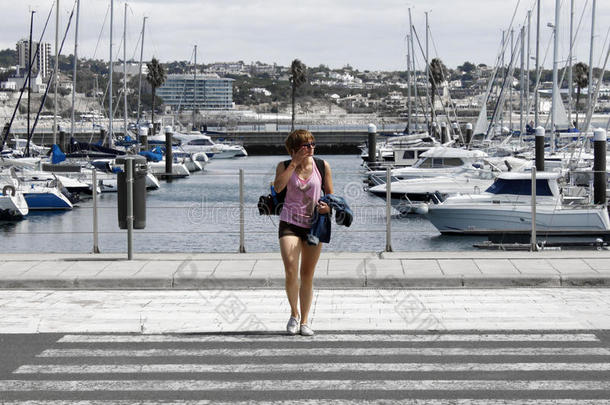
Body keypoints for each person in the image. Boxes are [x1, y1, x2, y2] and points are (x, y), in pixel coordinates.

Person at [273, 129, 333, 336]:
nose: (311, 148)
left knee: (307, 274)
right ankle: (294, 314)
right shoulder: (283, 166)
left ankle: (306, 321)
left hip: (314, 224)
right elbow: (278, 188)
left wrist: (328, 208)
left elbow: (331, 196)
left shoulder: (322, 166)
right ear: (294, 149)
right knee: (291, 270)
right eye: (306, 145)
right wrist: (293, 164)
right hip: (289, 223)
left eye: (312, 144)